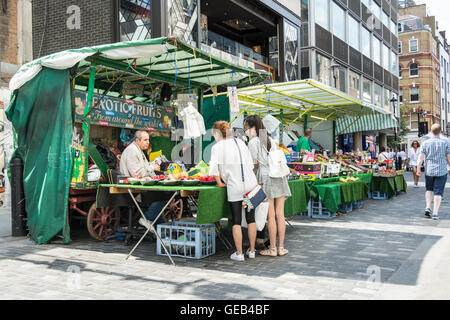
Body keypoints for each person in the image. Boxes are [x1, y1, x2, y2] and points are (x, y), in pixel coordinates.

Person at [209, 121, 258, 262]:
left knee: (236, 220)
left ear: (216, 133)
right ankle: (253, 251)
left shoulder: (217, 147)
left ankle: (239, 253)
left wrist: (219, 183)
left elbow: (213, 169)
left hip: (234, 187)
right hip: (250, 185)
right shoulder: (240, 142)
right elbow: (250, 164)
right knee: (251, 218)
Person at [244, 115, 291, 257]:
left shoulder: (253, 142)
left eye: (246, 128)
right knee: (280, 215)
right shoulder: (269, 138)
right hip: (279, 177)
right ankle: (281, 248)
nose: (245, 131)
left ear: (253, 127)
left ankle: (272, 249)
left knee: (270, 216)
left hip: (266, 178)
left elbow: (253, 165)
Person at [119, 130, 164, 229]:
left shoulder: (139, 150)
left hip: (140, 186)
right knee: (163, 194)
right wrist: (153, 168)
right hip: (133, 189)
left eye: (148, 140)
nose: (148, 142)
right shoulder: (132, 151)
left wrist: (153, 164)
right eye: (145, 140)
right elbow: (137, 173)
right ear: (137, 140)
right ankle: (147, 219)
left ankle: (159, 228)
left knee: (162, 194)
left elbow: (144, 167)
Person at [417, 124, 450, 220]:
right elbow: (448, 158)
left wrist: (418, 169)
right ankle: (435, 213)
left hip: (429, 170)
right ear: (440, 132)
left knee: (429, 189)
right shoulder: (445, 143)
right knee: (438, 192)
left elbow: (420, 158)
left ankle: (427, 207)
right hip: (441, 170)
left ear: (431, 132)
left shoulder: (425, 143)